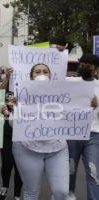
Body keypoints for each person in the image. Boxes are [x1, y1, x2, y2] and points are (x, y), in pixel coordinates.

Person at [11, 63, 69, 200]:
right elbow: (13, 124)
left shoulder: (63, 94)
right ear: (31, 77)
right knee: (31, 192)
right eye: (37, 72)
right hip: (27, 148)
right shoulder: (21, 95)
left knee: (61, 192)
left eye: (45, 71)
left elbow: (75, 114)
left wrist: (88, 104)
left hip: (57, 148)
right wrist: (13, 110)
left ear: (50, 76)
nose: (42, 74)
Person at [66, 54, 99, 200]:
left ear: (96, 69)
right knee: (70, 171)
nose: (83, 67)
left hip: (93, 135)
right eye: (82, 64)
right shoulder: (71, 82)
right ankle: (69, 196)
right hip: (73, 134)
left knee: (93, 173)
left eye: (88, 65)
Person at [0, 68, 23, 200]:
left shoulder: (29, 90)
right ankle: (4, 187)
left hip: (23, 135)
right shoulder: (7, 87)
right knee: (6, 164)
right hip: (6, 133)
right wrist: (8, 77)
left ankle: (17, 195)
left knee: (20, 167)